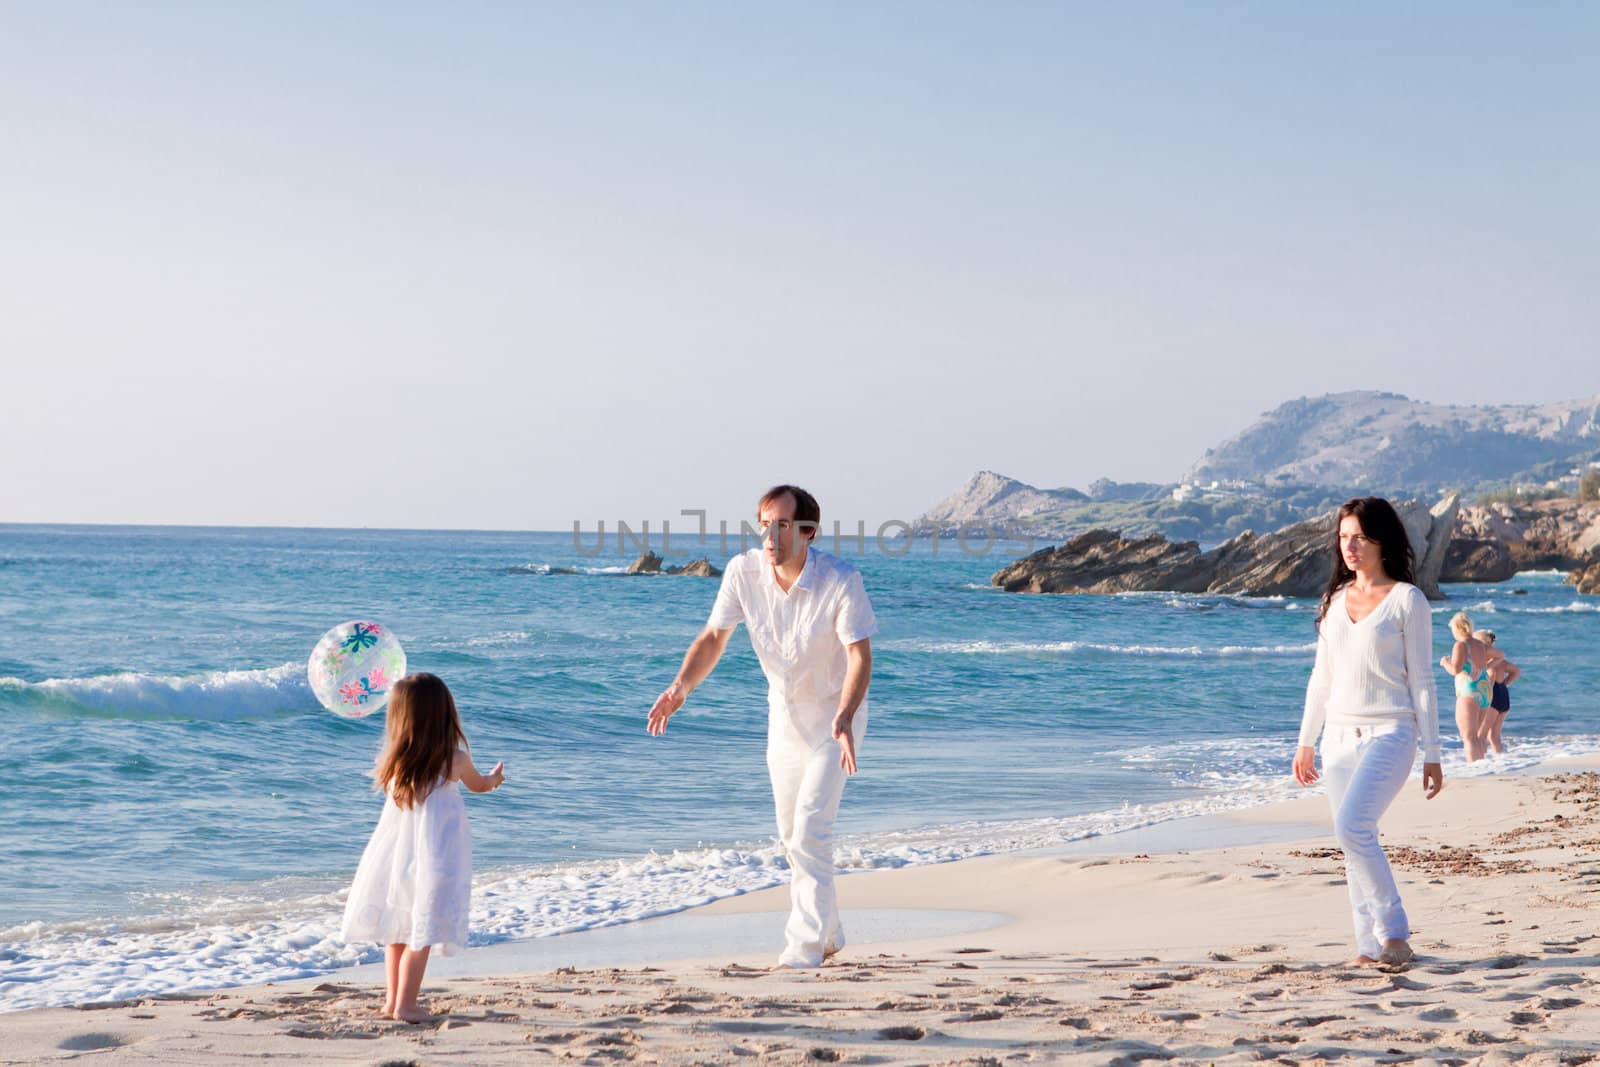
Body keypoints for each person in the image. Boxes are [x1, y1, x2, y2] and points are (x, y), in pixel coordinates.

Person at [647, 484, 876, 969]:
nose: (770, 536)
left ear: (807, 533)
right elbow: (714, 637)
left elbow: (859, 654)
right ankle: (829, 931)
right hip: (784, 719)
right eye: (764, 524)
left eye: (783, 526)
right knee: (792, 836)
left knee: (812, 828)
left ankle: (804, 949)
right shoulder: (742, 573)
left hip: (837, 722)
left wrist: (845, 713)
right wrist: (679, 688)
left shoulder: (841, 580)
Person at [1294, 497, 1443, 967]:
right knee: (1353, 840)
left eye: (1359, 536)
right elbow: (1321, 677)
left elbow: (1422, 679)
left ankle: (1395, 934)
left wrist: (1433, 751)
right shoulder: (1335, 602)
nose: (1350, 546)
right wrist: (1306, 740)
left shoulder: (1407, 600)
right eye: (1343, 538)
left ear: (1382, 540)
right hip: (1337, 736)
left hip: (1391, 734)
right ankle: (1368, 946)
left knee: (1352, 827)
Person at [342, 673, 505, 1022]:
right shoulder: (453, 759)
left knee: (397, 931)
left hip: (397, 860)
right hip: (436, 859)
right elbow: (478, 785)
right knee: (422, 931)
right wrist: (494, 779)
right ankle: (407, 1006)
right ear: (444, 713)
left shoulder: (395, 764)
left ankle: (392, 1001)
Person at [1440, 612, 1493, 762]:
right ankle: (1481, 765)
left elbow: (1455, 670)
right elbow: (1499, 655)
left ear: (1458, 629)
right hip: (1485, 691)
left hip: (1468, 691)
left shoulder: (1461, 645)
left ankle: (1473, 769)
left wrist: (1445, 663)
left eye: (1453, 630)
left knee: (1468, 737)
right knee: (1475, 736)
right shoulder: (1480, 644)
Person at [1475, 629, 1521, 756]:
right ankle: (1501, 759)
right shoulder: (1500, 661)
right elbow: (1516, 671)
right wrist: (1505, 683)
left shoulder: (1486, 662)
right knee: (1494, 735)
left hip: (1493, 697)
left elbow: (1492, 674)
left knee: (1481, 734)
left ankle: (1479, 761)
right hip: (1504, 696)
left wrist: (1486, 688)